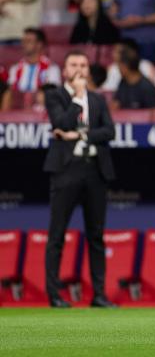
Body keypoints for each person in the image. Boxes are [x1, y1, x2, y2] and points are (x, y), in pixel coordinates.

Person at [43, 50, 116, 308]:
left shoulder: (97, 99)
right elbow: (59, 123)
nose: (79, 69)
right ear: (64, 70)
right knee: (57, 235)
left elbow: (110, 131)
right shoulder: (55, 95)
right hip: (66, 170)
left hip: (95, 170)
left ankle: (99, 294)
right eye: (73, 64)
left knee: (96, 235)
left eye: (83, 65)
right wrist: (76, 98)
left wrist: (81, 135)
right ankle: (54, 294)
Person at [7, 28, 61, 92]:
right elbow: (10, 91)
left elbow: (53, 93)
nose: (24, 44)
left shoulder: (51, 68)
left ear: (39, 44)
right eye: (23, 41)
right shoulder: (15, 68)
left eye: (28, 41)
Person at [113, 44, 155, 109]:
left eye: (119, 65)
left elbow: (154, 114)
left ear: (124, 67)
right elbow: (115, 104)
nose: (118, 68)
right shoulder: (123, 82)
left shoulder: (147, 88)